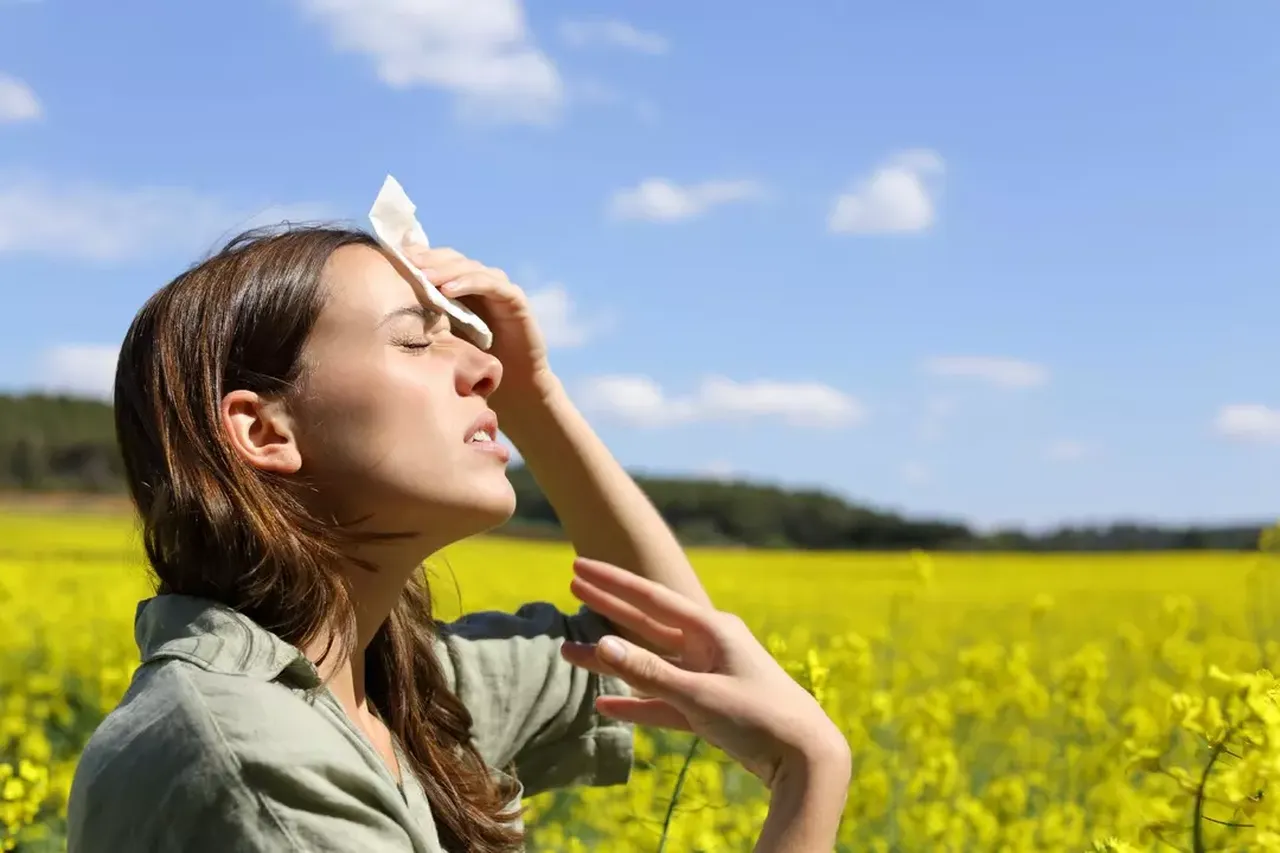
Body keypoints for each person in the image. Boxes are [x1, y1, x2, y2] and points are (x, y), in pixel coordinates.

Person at [65, 225, 852, 852]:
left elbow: (670, 652)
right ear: (263, 428)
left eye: (470, 345)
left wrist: (537, 396)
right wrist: (809, 783)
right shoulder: (258, 761)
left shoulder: (389, 690)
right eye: (416, 341)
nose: (485, 370)